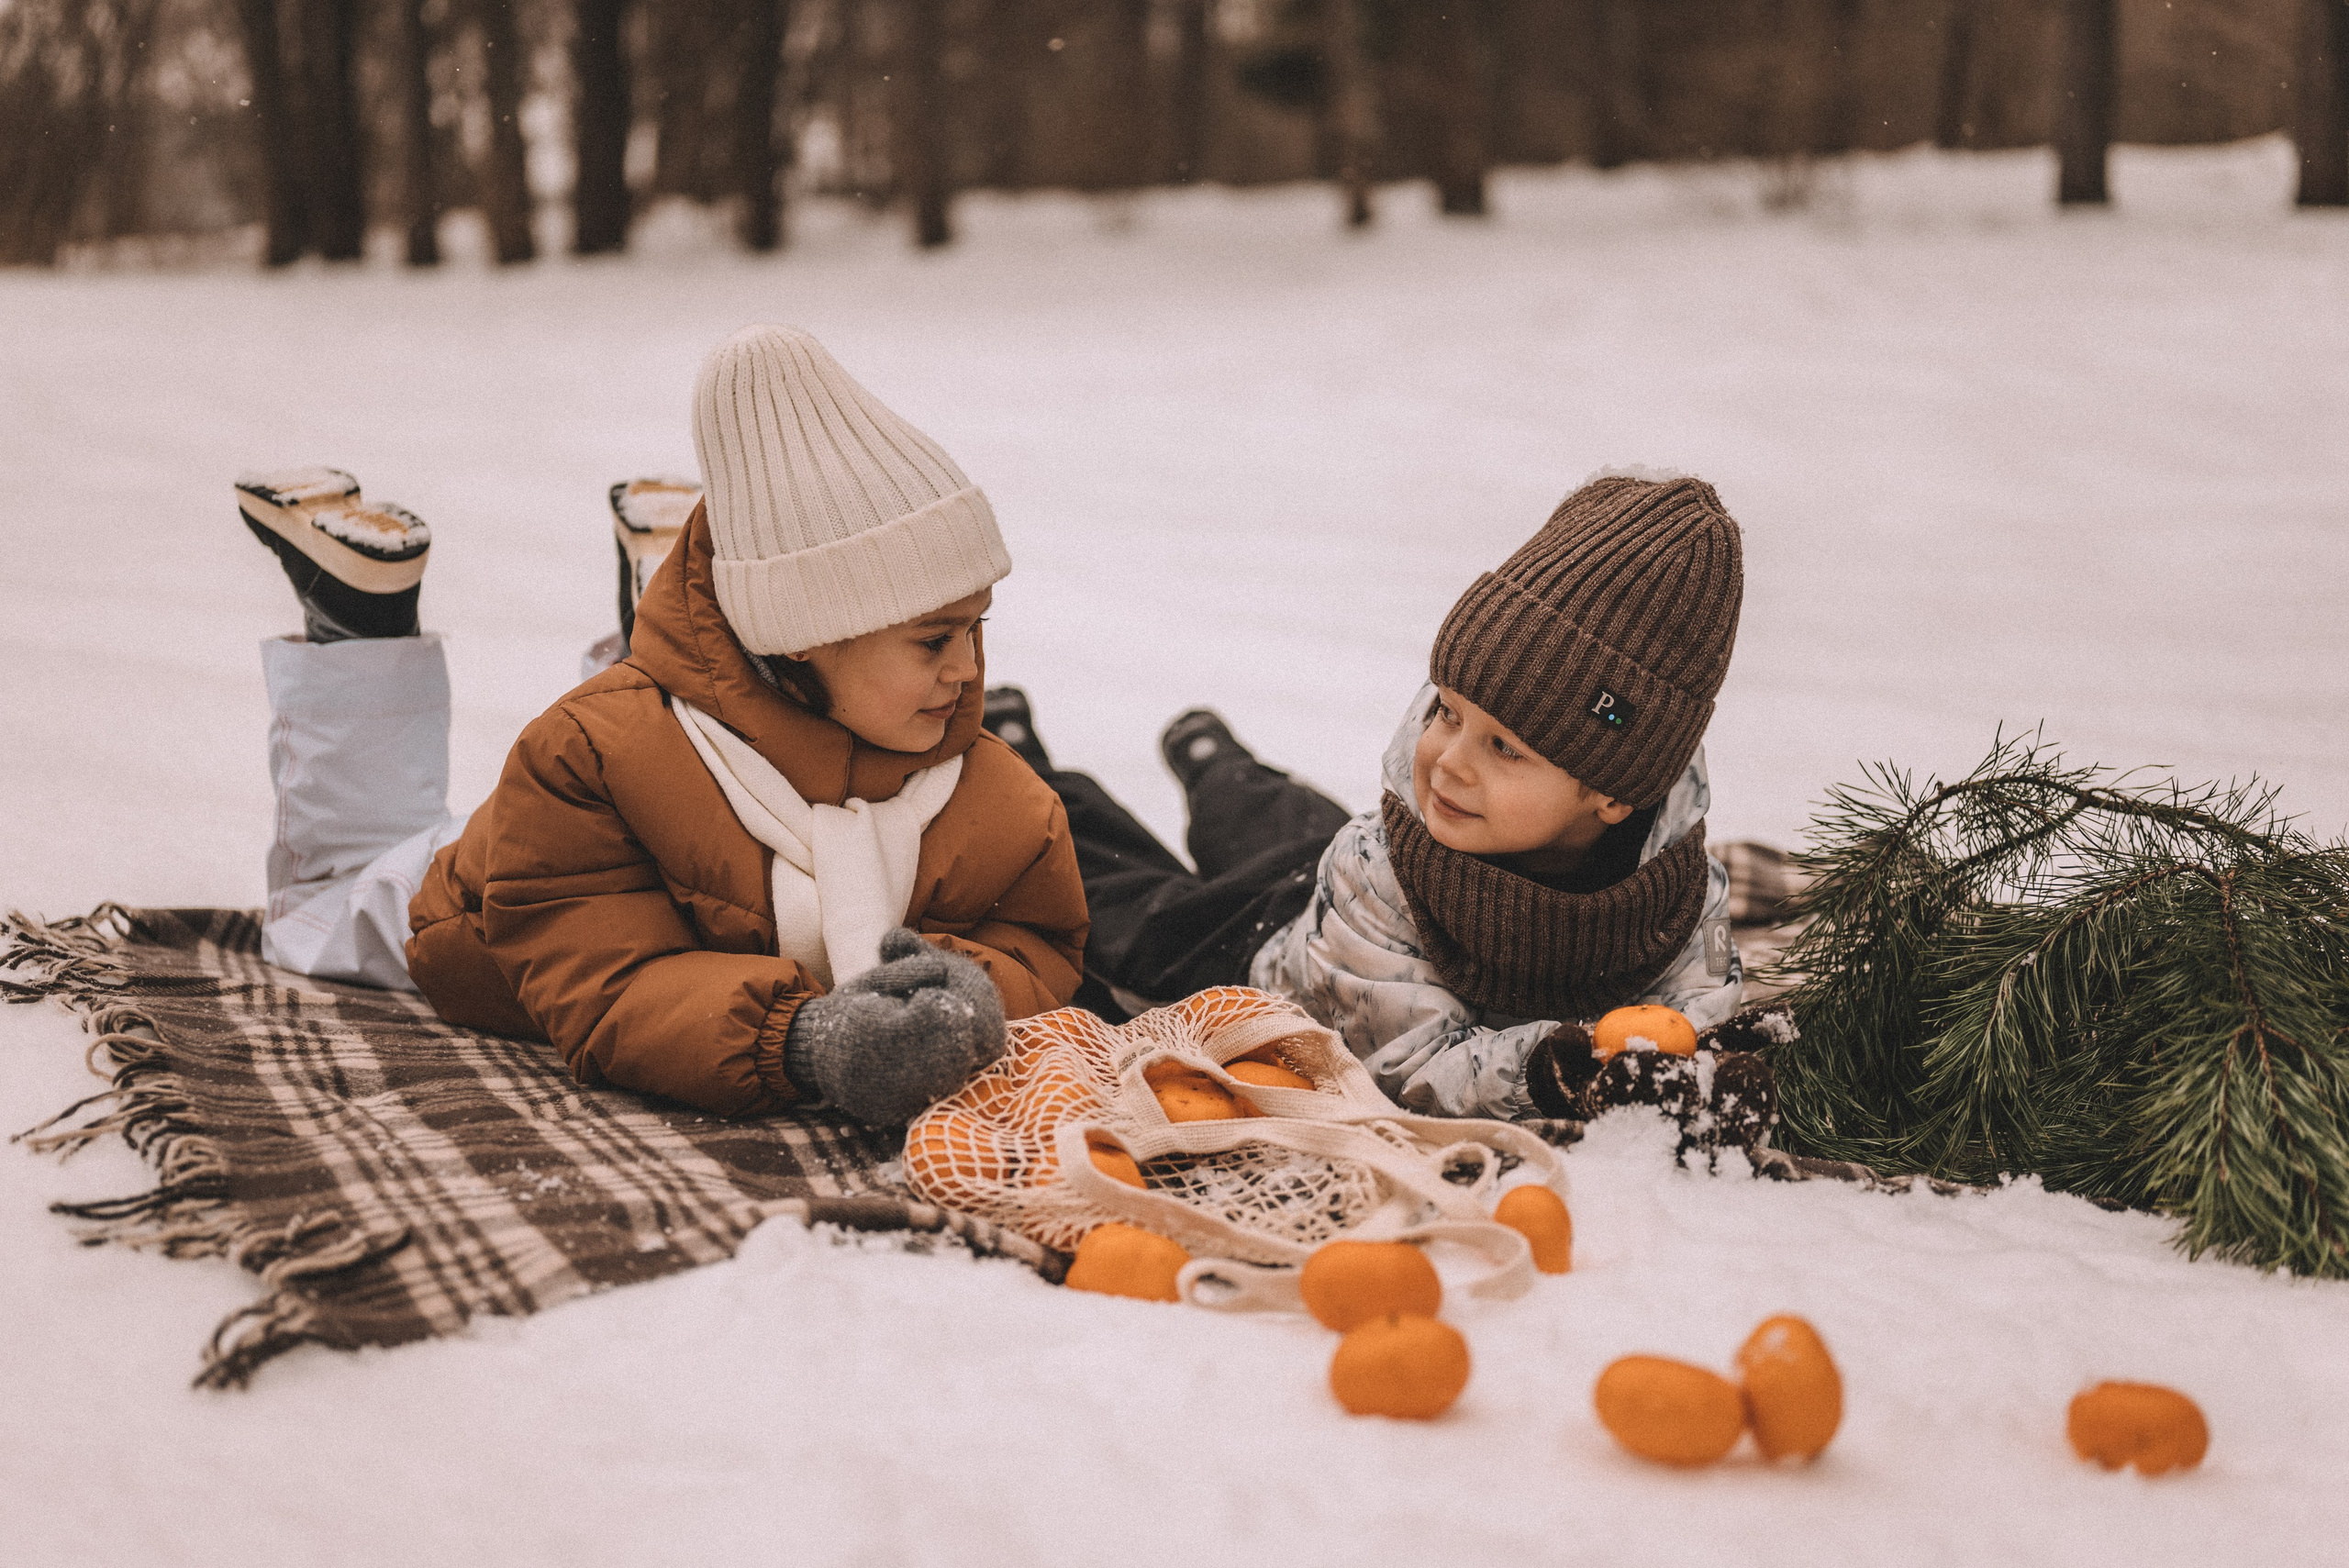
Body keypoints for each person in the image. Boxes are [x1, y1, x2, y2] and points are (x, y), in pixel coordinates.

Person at [239, 325, 1088, 1127]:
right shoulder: (578, 761)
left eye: (979, 627)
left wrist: (969, 994)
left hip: (670, 804)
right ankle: (356, 627)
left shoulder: (988, 792)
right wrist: (802, 1040)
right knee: (323, 899)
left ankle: (658, 584)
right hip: (486, 897)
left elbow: (1037, 937)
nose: (971, 669)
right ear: (803, 633)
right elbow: (612, 987)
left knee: (665, 731)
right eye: (935, 639)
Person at [991, 472, 1779, 1145]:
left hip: (1345, 896)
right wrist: (1557, 1062)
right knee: (1134, 902)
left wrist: (1708, 1061)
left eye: (1504, 747)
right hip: (1279, 960)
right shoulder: (1381, 860)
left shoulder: (1679, 895)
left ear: (1614, 792)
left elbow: (1692, 1015)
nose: (1449, 759)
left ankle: (1213, 761)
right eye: (1447, 710)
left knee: (1292, 826)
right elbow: (1407, 1064)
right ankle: (1046, 767)